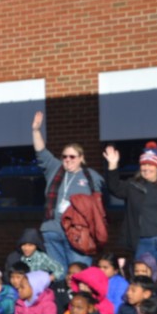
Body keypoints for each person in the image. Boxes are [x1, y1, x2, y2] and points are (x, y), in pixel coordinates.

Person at [103, 142, 157, 304]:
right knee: (140, 284)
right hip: (142, 242)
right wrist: (113, 165)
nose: (146, 168)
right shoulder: (133, 186)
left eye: (150, 164)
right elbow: (114, 188)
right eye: (143, 164)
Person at [31, 111, 105, 271]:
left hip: (78, 233)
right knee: (59, 276)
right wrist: (36, 131)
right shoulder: (55, 168)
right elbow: (41, 152)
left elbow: (97, 205)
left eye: (72, 157)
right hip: (52, 231)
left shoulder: (91, 176)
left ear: (81, 158)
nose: (68, 160)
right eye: (65, 157)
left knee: (80, 274)